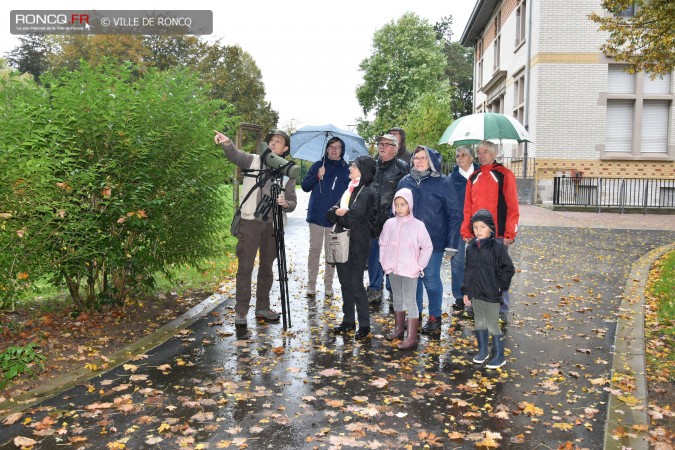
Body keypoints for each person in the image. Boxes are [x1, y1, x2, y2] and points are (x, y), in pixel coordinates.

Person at [214, 129, 297, 328]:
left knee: (267, 269)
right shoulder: (253, 160)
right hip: (250, 222)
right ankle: (241, 311)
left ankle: (263, 308)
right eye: (271, 141)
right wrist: (227, 143)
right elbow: (236, 155)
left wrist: (285, 203)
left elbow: (293, 202)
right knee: (245, 268)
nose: (273, 144)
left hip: (273, 225)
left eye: (278, 142)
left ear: (285, 148)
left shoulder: (287, 172)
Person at [397, 146, 462, 334]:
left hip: (433, 241)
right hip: (408, 242)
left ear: (431, 161)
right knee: (412, 281)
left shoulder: (443, 182)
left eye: (423, 158)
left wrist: (452, 244)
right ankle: (414, 319)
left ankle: (435, 318)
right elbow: (396, 210)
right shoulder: (405, 181)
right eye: (416, 158)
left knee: (431, 280)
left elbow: (455, 214)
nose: (418, 161)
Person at [461, 141, 520, 324]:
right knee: (473, 271)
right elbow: (467, 207)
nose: (481, 155)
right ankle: (473, 305)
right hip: (476, 233)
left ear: (494, 153)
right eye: (479, 152)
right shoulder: (473, 177)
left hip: (498, 233)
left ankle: (501, 309)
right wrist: (466, 229)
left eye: (485, 151)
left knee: (498, 272)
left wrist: (510, 233)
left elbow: (512, 207)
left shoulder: (504, 175)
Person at [327, 155, 377, 340]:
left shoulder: (368, 192)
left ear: (362, 170)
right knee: (344, 284)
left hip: (357, 243)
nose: (350, 168)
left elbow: (353, 219)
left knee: (356, 285)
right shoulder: (350, 189)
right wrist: (338, 212)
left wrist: (339, 213)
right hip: (342, 239)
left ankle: (364, 325)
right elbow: (330, 213)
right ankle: (348, 321)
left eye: (354, 166)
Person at [379, 188, 433, 349]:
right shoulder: (389, 224)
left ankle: (412, 337)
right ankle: (398, 329)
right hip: (393, 268)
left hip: (410, 269)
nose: (400, 207)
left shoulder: (418, 225)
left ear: (410, 205)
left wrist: (419, 266)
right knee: (397, 298)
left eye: (403, 204)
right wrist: (384, 261)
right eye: (397, 204)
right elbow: (382, 243)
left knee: (410, 300)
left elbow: (427, 247)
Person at [462, 209, 515, 368]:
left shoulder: (497, 248)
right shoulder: (471, 247)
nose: (478, 231)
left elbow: (508, 268)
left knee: (492, 324)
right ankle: (483, 350)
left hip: (491, 293)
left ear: (491, 228)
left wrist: (500, 286)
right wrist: (466, 291)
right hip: (476, 294)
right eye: (476, 227)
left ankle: (499, 355)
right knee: (479, 322)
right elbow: (468, 271)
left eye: (482, 227)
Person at [300, 137, 350, 298]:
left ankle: (328, 285)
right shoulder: (318, 166)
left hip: (333, 218)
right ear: (327, 149)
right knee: (314, 250)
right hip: (315, 216)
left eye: (338, 147)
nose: (334, 150)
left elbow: (350, 192)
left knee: (331, 253)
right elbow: (305, 186)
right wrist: (316, 176)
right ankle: (311, 285)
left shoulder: (346, 169)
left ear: (342, 151)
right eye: (331, 147)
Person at [367, 134, 409, 305]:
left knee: (393, 258)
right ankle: (375, 289)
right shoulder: (371, 166)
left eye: (386, 144)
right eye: (380, 144)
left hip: (393, 222)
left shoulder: (402, 167)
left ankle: (393, 292)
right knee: (374, 257)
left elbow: (407, 195)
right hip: (372, 221)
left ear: (395, 148)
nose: (382, 147)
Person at [449, 146, 480, 313]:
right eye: (457, 156)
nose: (459, 158)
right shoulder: (451, 179)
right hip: (458, 226)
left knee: (477, 263)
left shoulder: (481, 176)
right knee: (458, 262)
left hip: (479, 225)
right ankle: (459, 297)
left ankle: (475, 297)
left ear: (471, 158)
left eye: (463, 155)